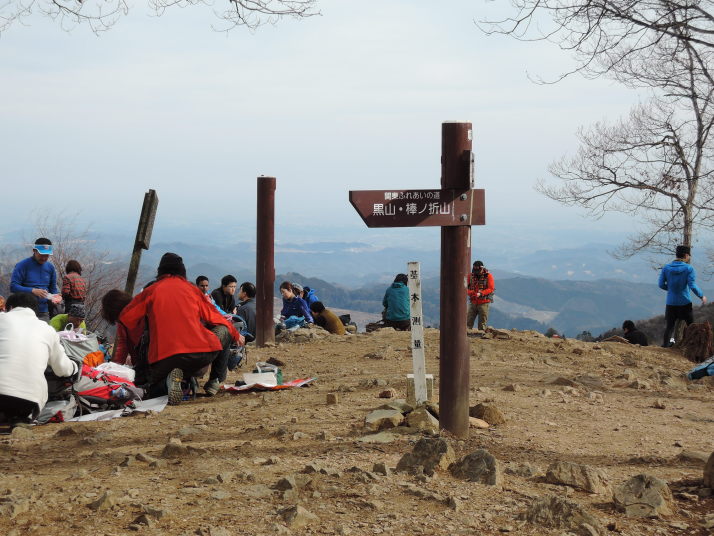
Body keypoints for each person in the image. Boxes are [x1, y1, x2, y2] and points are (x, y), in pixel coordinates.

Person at [119, 253, 244, 404]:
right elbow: (216, 317)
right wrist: (236, 335)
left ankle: (166, 383)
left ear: (160, 271)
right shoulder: (193, 290)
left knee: (151, 387)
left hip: (166, 359)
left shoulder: (151, 291)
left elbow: (126, 318)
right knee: (225, 329)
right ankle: (214, 381)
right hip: (199, 357)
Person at [0, 293, 78, 426]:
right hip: (29, 402)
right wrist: (75, 366)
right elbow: (62, 370)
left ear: (10, 307)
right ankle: (18, 419)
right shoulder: (47, 329)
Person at [658, 245, 707, 347]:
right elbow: (692, 285)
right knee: (691, 326)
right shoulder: (689, 268)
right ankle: (694, 347)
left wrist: (671, 289)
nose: (689, 257)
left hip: (671, 303)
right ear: (685, 255)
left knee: (670, 327)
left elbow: (661, 284)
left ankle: (665, 347)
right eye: (689, 255)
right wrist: (701, 296)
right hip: (685, 302)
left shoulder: (666, 268)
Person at [10, 238, 61, 322]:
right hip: (24, 310)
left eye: (47, 255)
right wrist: (33, 290)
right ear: (34, 251)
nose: (44, 258)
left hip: (43, 311)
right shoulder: (22, 265)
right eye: (41, 255)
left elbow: (53, 289)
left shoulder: (50, 268)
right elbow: (13, 287)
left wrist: (56, 297)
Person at [467, 260, 495, 330]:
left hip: (484, 302)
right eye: (475, 269)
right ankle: (466, 334)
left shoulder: (488, 276)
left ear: (482, 268)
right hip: (473, 301)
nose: (476, 272)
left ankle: (481, 334)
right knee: (468, 320)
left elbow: (491, 288)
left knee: (482, 321)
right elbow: (465, 287)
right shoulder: (470, 276)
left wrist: (481, 293)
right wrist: (471, 292)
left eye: (478, 269)